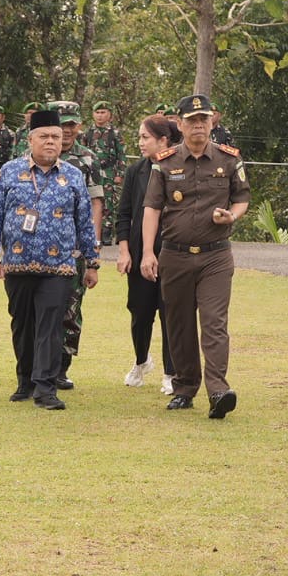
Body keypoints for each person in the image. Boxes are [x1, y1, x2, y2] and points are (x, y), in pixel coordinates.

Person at [0, 107, 100, 410]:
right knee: (22, 324)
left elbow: (85, 222)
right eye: (44, 136)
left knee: (51, 324)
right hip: (18, 264)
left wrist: (92, 262)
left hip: (58, 266)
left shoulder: (72, 176)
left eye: (56, 137)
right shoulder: (9, 172)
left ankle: (46, 387)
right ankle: (25, 381)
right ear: (30, 140)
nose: (51, 142)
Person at [141, 93, 250, 419]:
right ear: (179, 124)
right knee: (179, 324)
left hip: (215, 257)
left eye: (203, 120)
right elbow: (152, 209)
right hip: (174, 256)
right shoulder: (165, 161)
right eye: (191, 121)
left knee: (214, 323)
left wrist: (232, 215)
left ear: (211, 121)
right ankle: (185, 387)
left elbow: (242, 198)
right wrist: (148, 251)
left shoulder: (229, 159)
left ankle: (218, 390)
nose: (198, 126)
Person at [116, 114, 178, 392]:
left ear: (163, 140)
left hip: (173, 253)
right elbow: (124, 214)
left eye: (145, 137)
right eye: (139, 137)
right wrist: (124, 251)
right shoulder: (136, 171)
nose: (140, 143)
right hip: (141, 253)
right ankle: (141, 360)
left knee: (170, 313)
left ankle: (171, 372)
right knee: (140, 313)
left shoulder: (178, 168)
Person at [50, 101, 104, 389]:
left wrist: (92, 249)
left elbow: (97, 204)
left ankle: (61, 366)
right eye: (62, 124)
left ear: (79, 126)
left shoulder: (87, 159)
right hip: (42, 248)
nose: (67, 130)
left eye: (71, 124)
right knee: (41, 308)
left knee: (71, 308)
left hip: (75, 250)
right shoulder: (31, 156)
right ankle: (38, 365)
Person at [83, 101, 126, 244]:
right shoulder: (87, 133)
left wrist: (120, 174)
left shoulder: (115, 133)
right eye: (97, 112)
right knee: (91, 201)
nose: (100, 116)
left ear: (109, 115)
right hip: (91, 173)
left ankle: (107, 232)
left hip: (109, 172)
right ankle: (93, 232)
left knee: (109, 202)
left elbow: (122, 155)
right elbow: (82, 153)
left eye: (103, 112)